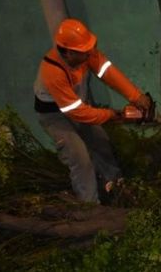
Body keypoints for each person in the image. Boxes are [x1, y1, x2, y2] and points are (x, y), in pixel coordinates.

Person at [33, 18, 152, 203]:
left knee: (100, 141)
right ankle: (91, 207)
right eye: (84, 51)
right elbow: (77, 113)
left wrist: (136, 96)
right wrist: (111, 115)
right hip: (54, 115)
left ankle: (115, 186)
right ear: (69, 53)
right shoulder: (53, 72)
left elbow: (108, 72)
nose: (90, 53)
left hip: (76, 105)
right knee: (80, 157)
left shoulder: (85, 54)